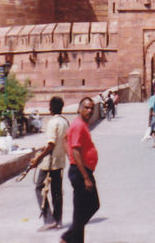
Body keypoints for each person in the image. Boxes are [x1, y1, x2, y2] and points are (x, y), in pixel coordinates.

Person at [61, 97, 100, 243]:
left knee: (90, 207)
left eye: (91, 108)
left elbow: (65, 139)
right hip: (81, 172)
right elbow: (76, 151)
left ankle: (69, 236)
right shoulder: (78, 125)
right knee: (82, 211)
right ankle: (69, 237)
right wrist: (85, 177)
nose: (89, 111)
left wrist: (70, 157)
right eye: (86, 107)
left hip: (80, 170)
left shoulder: (79, 124)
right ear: (79, 109)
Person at [28, 96, 69, 232]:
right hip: (60, 161)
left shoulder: (52, 123)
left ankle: (49, 220)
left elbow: (51, 144)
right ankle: (58, 220)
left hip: (49, 163)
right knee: (56, 192)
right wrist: (42, 147)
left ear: (51, 108)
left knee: (39, 189)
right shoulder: (65, 122)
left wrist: (39, 157)